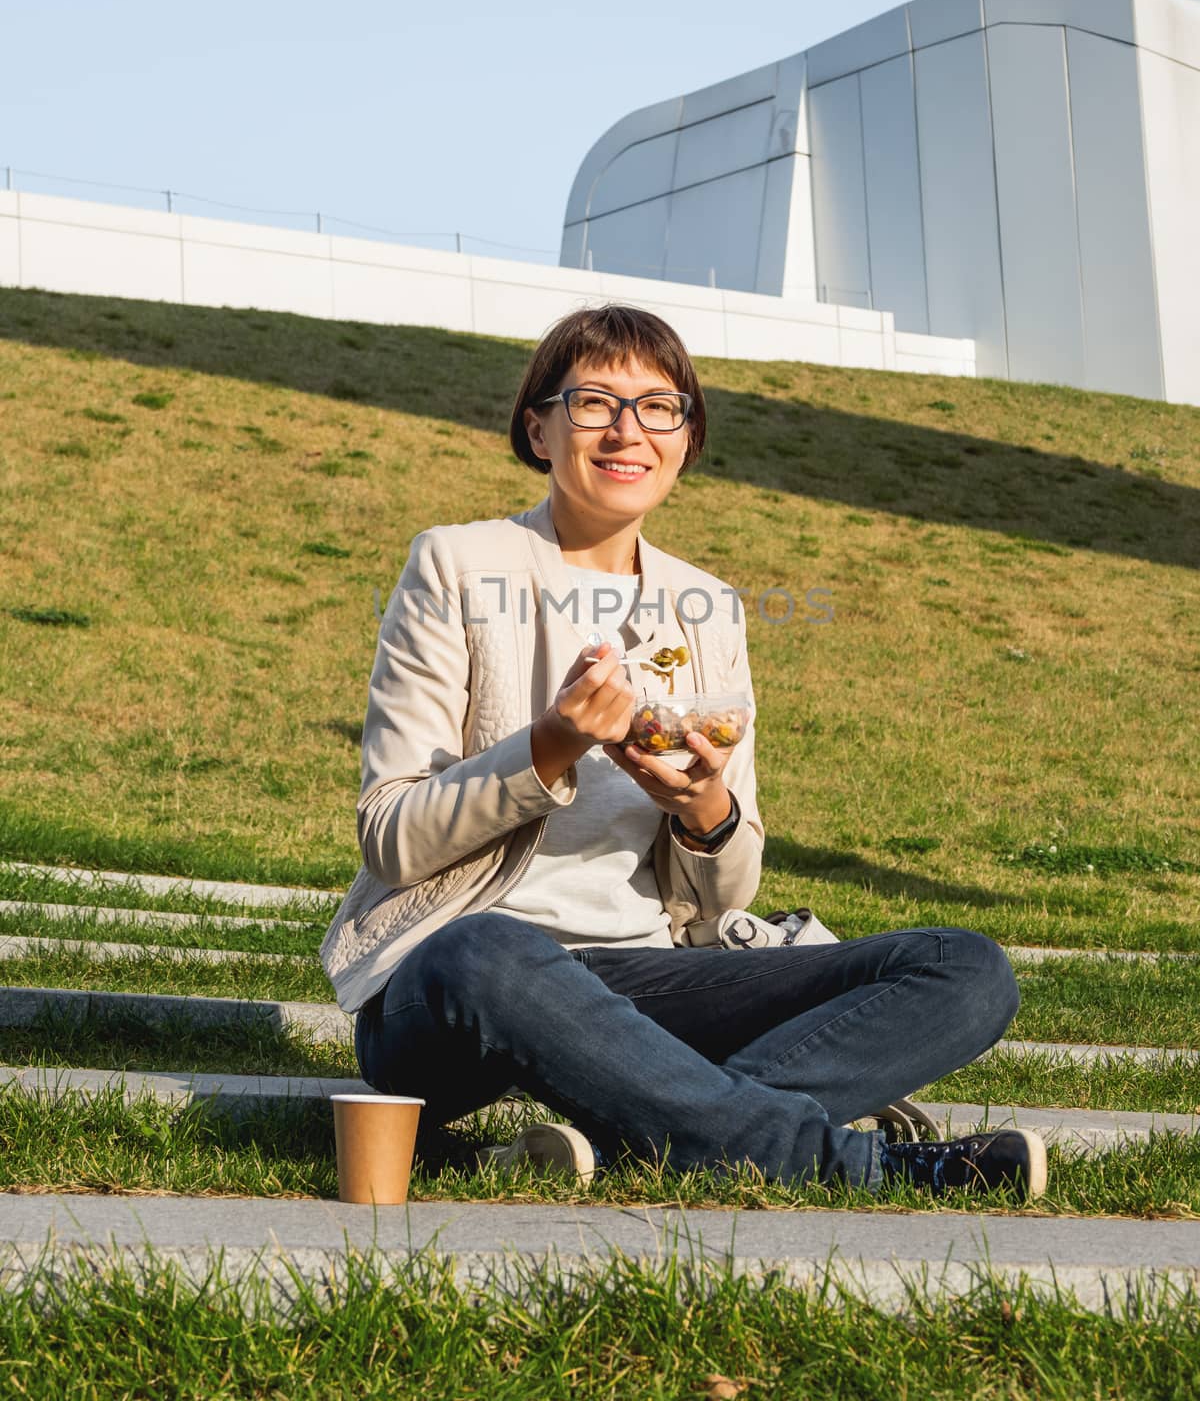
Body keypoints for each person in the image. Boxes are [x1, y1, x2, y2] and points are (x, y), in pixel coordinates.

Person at [321, 303, 1046, 1200]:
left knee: (967, 970)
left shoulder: (707, 608)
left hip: (647, 978)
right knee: (488, 950)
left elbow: (728, 894)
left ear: (686, 438)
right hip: (456, 984)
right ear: (538, 429)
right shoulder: (456, 567)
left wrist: (702, 810)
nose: (629, 431)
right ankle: (845, 1161)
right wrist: (549, 745)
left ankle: (644, 1125)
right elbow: (391, 838)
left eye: (661, 407)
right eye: (594, 403)